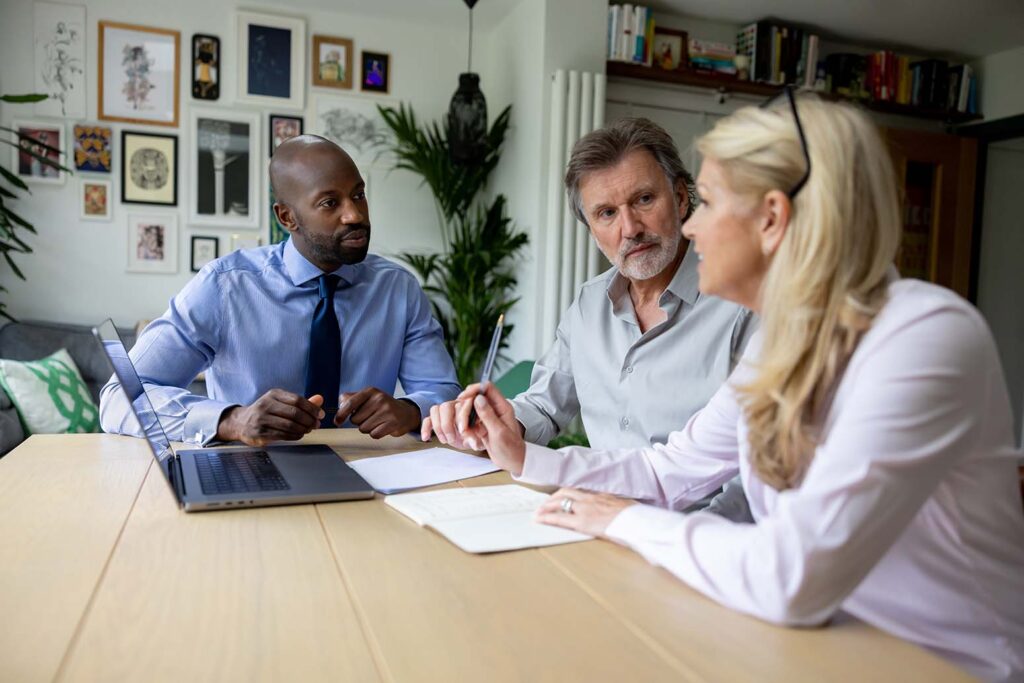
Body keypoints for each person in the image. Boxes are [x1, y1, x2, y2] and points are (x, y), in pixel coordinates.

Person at [459, 93, 1024, 681]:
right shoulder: (783, 339)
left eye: (707, 201)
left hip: (945, 664)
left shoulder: (922, 336)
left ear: (772, 219)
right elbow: (666, 471)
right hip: (812, 640)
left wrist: (621, 520)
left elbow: (792, 574)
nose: (692, 223)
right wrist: (525, 459)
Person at [423, 117, 754, 518]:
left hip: (695, 539)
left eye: (644, 200)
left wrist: (674, 541)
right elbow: (544, 406)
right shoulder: (590, 303)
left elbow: (749, 472)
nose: (630, 228)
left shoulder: (741, 302)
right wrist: (494, 424)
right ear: (591, 229)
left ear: (681, 199)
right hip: (598, 513)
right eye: (607, 213)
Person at [100, 135, 461, 446]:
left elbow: (443, 394)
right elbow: (119, 396)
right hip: (251, 470)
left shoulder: (399, 290)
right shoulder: (225, 287)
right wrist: (232, 420)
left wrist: (409, 410)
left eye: (359, 195)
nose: (354, 215)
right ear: (287, 218)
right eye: (330, 203)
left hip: (370, 475)